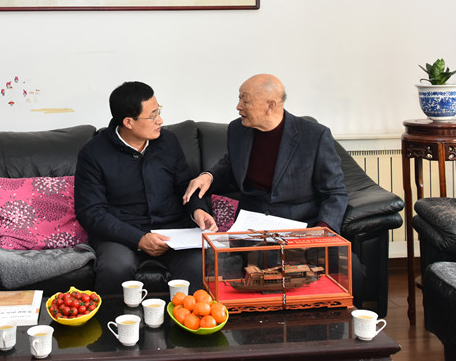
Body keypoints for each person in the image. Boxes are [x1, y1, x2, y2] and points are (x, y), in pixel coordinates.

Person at [182, 74, 364, 301]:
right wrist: (207, 176)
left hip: (302, 226)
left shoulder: (314, 135)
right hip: (253, 226)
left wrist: (320, 231)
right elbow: (230, 165)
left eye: (245, 100)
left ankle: (350, 320)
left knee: (352, 268)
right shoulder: (238, 130)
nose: (238, 106)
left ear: (271, 105)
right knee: (248, 269)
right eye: (239, 99)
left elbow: (334, 192)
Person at [74, 81, 217, 295]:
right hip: (121, 234)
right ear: (128, 122)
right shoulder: (93, 153)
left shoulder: (168, 141)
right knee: (115, 267)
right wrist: (138, 239)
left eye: (159, 111)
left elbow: (184, 185)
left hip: (172, 230)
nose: (160, 120)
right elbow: (91, 212)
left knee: (199, 264)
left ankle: (186, 316)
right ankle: (113, 317)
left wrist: (198, 209)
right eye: (152, 116)